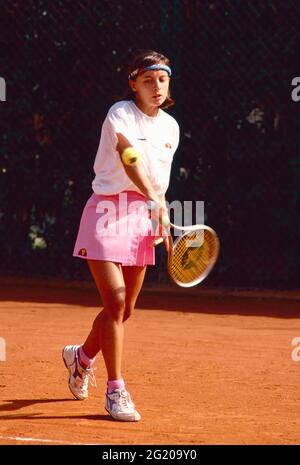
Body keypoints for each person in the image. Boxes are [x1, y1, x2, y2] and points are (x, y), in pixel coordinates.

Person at [62, 49, 180, 422]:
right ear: (133, 83)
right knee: (114, 301)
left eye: (162, 79)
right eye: (148, 80)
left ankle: (80, 358)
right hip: (106, 212)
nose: (156, 86)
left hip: (141, 219)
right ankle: (116, 391)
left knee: (125, 309)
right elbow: (129, 158)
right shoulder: (120, 114)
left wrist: (159, 213)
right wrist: (153, 198)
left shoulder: (171, 127)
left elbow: (159, 180)